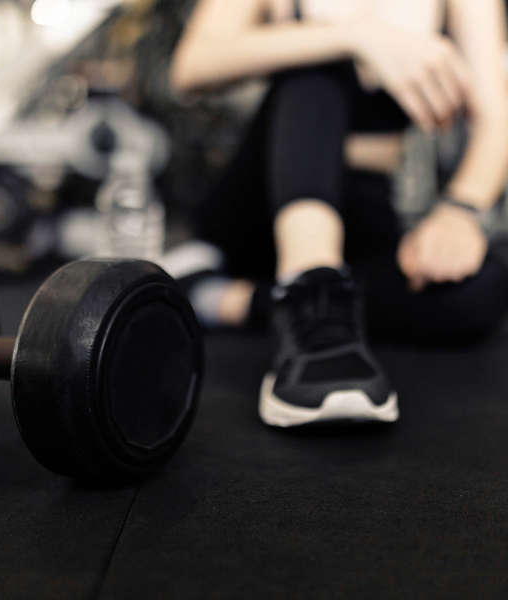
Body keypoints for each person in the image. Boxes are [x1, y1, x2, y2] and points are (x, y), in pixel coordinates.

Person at [167, 0, 508, 426]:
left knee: (476, 288)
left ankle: (231, 298)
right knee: (319, 66)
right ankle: (312, 294)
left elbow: (496, 118)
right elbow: (190, 67)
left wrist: (459, 211)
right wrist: (356, 36)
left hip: (361, 208)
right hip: (259, 202)